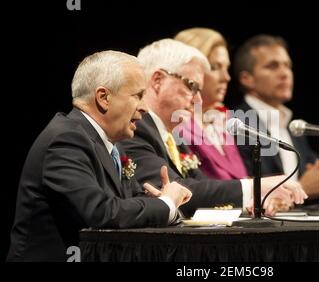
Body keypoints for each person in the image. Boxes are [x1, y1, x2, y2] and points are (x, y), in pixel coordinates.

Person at [7, 50, 192, 261]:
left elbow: (118, 203)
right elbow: (100, 212)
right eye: (138, 96)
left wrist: (152, 201)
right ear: (103, 97)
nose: (145, 108)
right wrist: (165, 204)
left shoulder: (107, 143)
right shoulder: (66, 140)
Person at [119, 39, 308, 218]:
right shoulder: (133, 129)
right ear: (158, 80)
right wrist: (253, 187)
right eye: (191, 85)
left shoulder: (171, 136)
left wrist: (255, 199)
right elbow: (176, 191)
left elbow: (201, 186)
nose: (197, 100)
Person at [233, 35, 319, 199]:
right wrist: (303, 188)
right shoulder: (237, 124)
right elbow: (243, 189)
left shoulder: (293, 124)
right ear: (247, 79)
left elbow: (311, 173)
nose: (285, 73)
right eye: (272, 66)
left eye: (287, 66)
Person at [173, 27, 248, 180]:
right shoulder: (176, 124)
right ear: (190, 69)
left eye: (226, 68)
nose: (226, 77)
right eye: (215, 67)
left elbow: (240, 177)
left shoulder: (221, 119)